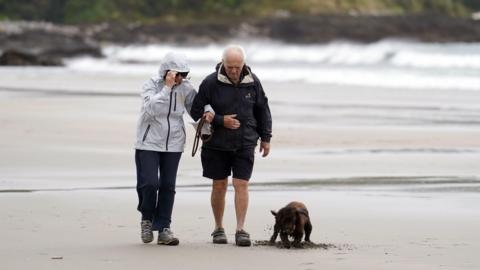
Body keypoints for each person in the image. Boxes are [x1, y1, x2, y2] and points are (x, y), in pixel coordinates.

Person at [191, 45, 272, 247]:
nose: (234, 71)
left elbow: (263, 109)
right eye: (230, 67)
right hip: (216, 144)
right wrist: (219, 120)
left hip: (245, 141)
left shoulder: (253, 82)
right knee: (219, 185)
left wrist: (266, 137)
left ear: (243, 64)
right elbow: (195, 110)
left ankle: (240, 229)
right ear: (222, 63)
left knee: (241, 184)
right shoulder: (210, 82)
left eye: (237, 66)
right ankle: (218, 228)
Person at [134, 52, 213, 246]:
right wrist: (167, 89)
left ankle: (164, 229)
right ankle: (146, 219)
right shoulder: (150, 85)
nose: (181, 79)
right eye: (178, 74)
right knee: (149, 184)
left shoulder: (185, 87)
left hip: (174, 143)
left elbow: (197, 107)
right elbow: (150, 109)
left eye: (184, 75)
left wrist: (208, 112)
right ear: (168, 72)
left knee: (168, 186)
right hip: (148, 142)